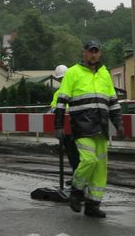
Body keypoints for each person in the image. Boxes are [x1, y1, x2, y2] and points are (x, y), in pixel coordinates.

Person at [54, 40, 124, 218]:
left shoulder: (104, 73)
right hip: (82, 127)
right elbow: (61, 102)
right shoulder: (73, 73)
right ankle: (76, 191)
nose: (93, 54)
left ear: (99, 53)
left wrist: (119, 124)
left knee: (100, 169)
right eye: (90, 51)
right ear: (83, 52)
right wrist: (58, 125)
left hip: (101, 128)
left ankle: (93, 205)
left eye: (96, 51)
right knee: (89, 161)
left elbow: (113, 103)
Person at [51, 64, 79, 176]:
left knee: (81, 153)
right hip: (66, 129)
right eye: (60, 79)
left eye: (63, 78)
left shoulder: (76, 90)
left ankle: (81, 177)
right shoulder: (57, 93)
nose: (62, 80)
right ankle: (76, 176)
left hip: (78, 126)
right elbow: (54, 107)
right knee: (71, 153)